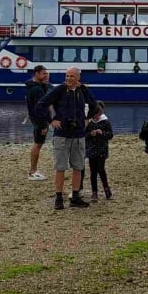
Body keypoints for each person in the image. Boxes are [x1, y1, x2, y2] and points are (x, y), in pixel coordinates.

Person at [35, 67, 98, 210]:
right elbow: (41, 105)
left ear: (78, 78)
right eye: (67, 76)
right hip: (62, 135)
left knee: (78, 166)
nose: (69, 79)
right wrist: (51, 120)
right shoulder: (60, 90)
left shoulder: (83, 90)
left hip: (78, 135)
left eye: (72, 77)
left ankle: (75, 196)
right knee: (60, 167)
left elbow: (94, 106)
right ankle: (58, 198)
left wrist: (86, 119)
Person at [25, 65, 51, 180]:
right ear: (37, 73)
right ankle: (33, 171)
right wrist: (43, 125)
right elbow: (40, 108)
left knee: (38, 144)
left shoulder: (37, 87)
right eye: (44, 74)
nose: (47, 76)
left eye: (47, 74)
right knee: (37, 144)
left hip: (37, 119)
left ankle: (33, 170)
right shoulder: (37, 90)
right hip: (40, 121)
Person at [84, 101, 113, 202]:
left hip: (102, 149)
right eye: (95, 115)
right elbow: (84, 136)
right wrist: (91, 134)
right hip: (91, 149)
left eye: (98, 115)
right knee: (93, 172)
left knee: (101, 169)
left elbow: (110, 135)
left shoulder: (105, 121)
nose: (96, 117)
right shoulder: (89, 122)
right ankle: (94, 192)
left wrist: (102, 133)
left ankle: (106, 189)